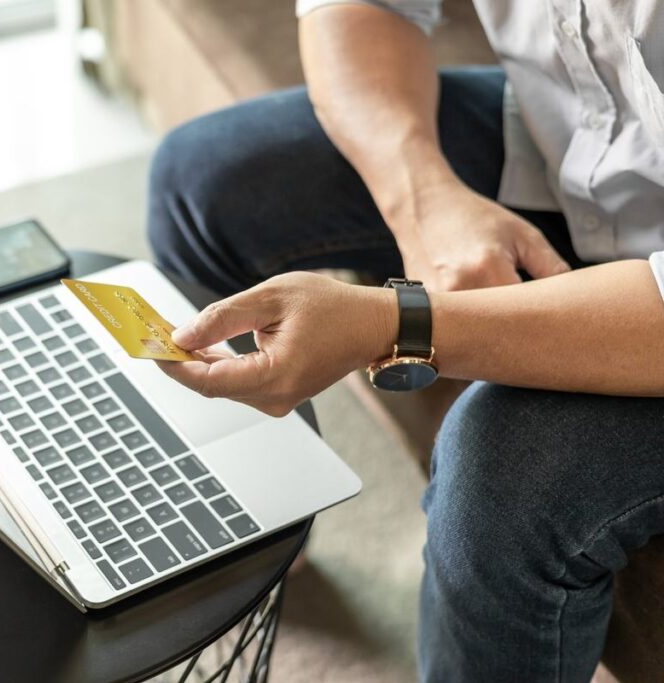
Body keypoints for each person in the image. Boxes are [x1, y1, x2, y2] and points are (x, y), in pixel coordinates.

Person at [145, 1, 664, 681]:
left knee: (498, 478)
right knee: (202, 180)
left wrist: (397, 321)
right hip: (584, 150)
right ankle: (269, 538)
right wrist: (426, 199)